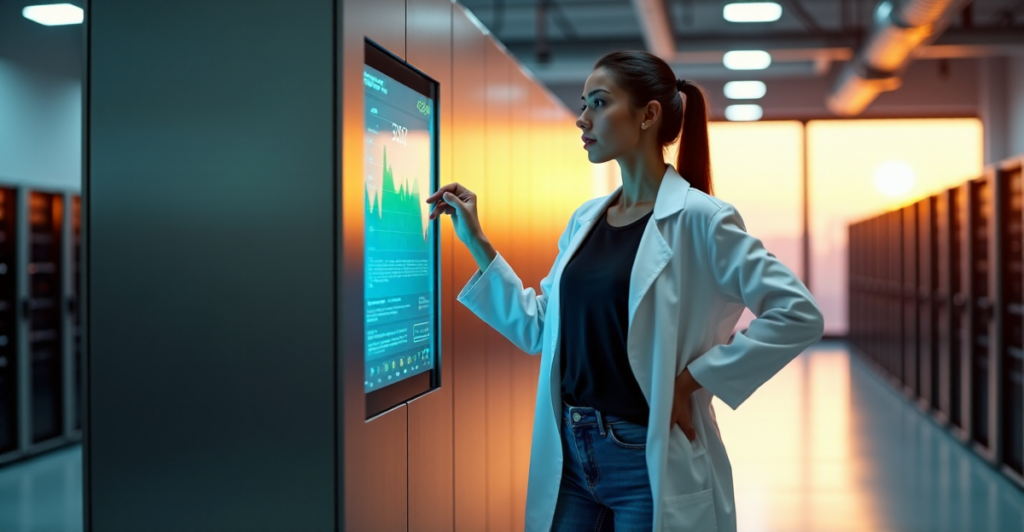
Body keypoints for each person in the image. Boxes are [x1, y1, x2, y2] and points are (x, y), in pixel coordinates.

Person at [424, 50, 824, 532]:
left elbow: (797, 313)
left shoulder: (702, 220)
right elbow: (540, 328)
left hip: (645, 458)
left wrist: (693, 380)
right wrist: (477, 241)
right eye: (583, 104)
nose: (582, 119)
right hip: (570, 456)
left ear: (648, 115)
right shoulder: (585, 220)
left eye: (598, 103)